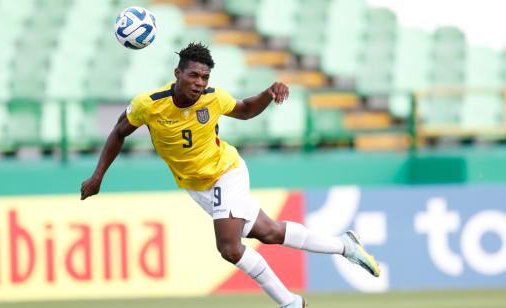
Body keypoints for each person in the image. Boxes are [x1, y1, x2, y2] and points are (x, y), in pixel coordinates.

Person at [80, 43, 380, 308]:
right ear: (177, 74)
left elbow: (247, 110)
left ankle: (290, 302)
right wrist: (98, 176)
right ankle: (344, 245)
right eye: (194, 76)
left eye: (205, 77)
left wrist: (267, 93)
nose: (199, 83)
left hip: (226, 172)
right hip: (198, 187)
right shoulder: (149, 104)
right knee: (270, 232)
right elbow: (118, 132)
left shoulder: (214, 99)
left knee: (229, 247)